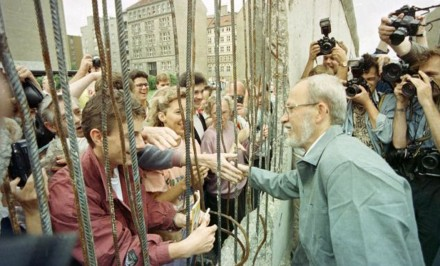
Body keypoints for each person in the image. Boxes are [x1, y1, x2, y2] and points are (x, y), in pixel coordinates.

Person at [239, 74, 423, 265]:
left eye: (290, 108)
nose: (283, 118)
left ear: (320, 112)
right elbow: (285, 183)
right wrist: (243, 170)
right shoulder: (327, 157)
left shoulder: (349, 169)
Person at [49, 90, 218, 265]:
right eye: (131, 136)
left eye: (140, 133)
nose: (141, 144)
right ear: (98, 137)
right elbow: (117, 255)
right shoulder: (70, 193)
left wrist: (180, 219)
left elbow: (143, 206)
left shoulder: (123, 165)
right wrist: (183, 248)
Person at [391, 48, 440, 266]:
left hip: (436, 191)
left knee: (426, 252)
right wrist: (401, 105)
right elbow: (400, 143)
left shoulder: (427, 102)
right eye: (422, 75)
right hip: (413, 182)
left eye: (432, 75)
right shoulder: (418, 104)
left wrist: (428, 102)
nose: (425, 81)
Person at [342, 53, 396, 156]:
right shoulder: (344, 100)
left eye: (370, 79)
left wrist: (367, 102)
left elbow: (386, 136)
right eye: (361, 80)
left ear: (378, 78)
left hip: (374, 162)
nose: (365, 84)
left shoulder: (388, 100)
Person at [178, 72, 207, 144]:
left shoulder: (200, 117)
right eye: (195, 92)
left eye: (202, 91)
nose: (200, 97)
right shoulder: (180, 122)